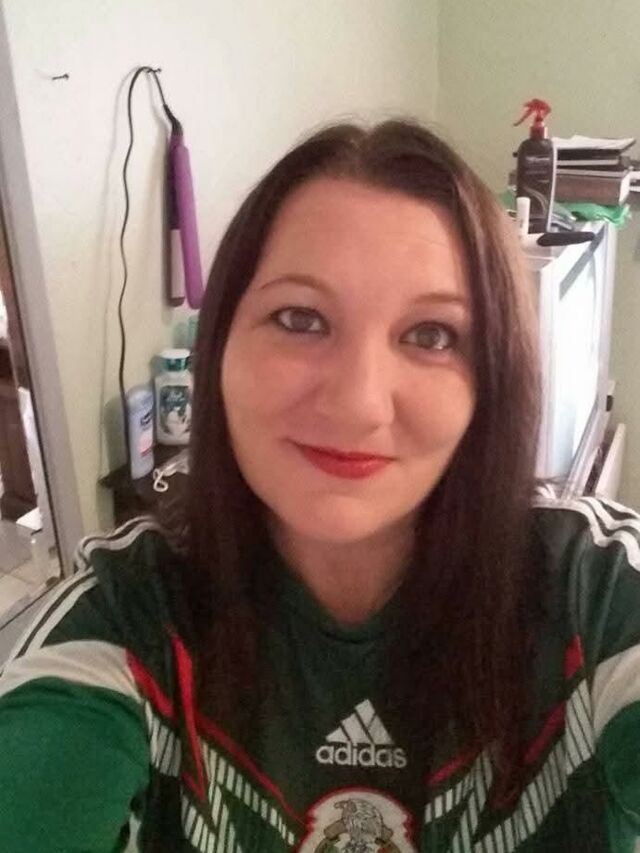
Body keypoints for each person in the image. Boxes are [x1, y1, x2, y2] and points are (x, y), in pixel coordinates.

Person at [0, 118, 639, 853]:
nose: (358, 404)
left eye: (431, 335)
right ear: (219, 351)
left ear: (492, 380)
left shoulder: (595, 597)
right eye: (300, 318)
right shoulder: (125, 619)